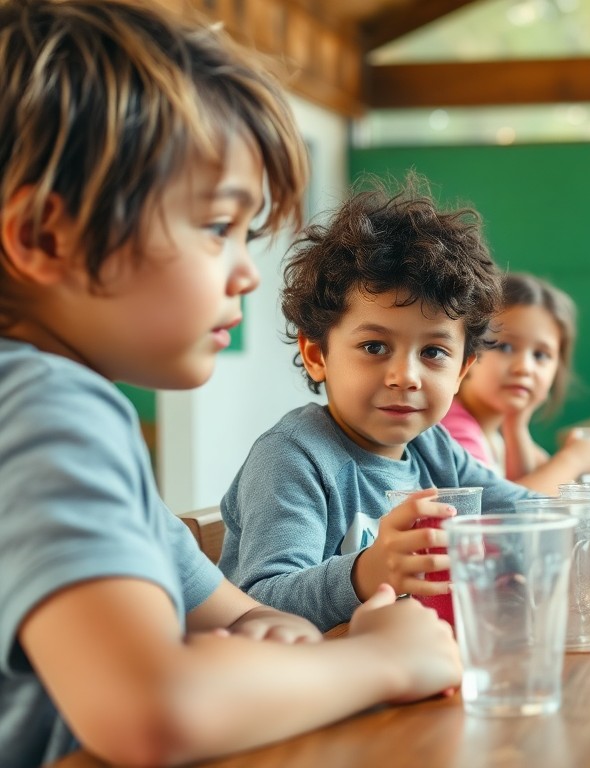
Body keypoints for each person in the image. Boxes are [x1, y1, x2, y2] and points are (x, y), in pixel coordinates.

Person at [0, 3, 460, 765]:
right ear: (45, 237)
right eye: (218, 227)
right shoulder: (43, 409)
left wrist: (261, 635)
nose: (247, 271)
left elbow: (236, 617)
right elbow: (151, 712)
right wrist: (378, 662)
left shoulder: (69, 409)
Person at [217, 178, 537, 632]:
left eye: (433, 353)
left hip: (410, 674)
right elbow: (258, 601)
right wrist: (367, 571)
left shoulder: (433, 448)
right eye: (374, 347)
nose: (405, 377)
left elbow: (524, 511)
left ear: (462, 370)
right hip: (314, 688)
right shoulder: (293, 457)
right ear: (316, 355)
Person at [441, 272, 590, 494]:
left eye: (540, 355)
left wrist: (516, 425)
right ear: (468, 349)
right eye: (505, 347)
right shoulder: (453, 429)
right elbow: (502, 512)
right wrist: (574, 460)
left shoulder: (495, 431)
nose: (524, 368)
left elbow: (524, 485)